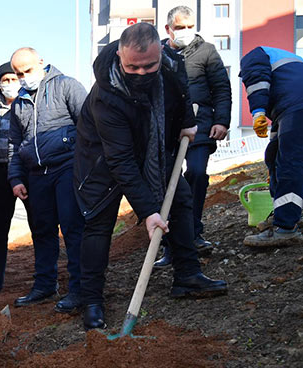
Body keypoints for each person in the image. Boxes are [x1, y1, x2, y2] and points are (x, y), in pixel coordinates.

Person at [74, 23, 228, 330]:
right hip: (101, 156)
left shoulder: (172, 64)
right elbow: (121, 160)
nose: (142, 73)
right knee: (98, 222)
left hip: (155, 143)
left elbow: (182, 94)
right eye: (133, 66)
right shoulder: (107, 93)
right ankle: (91, 299)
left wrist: (187, 122)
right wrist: (147, 211)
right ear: (119, 55)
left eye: (149, 66)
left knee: (181, 200)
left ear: (161, 53)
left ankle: (187, 274)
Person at [7, 47, 87, 311]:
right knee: (41, 231)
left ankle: (79, 289)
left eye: (28, 70)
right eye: (19, 73)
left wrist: (85, 167)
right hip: (36, 175)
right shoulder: (18, 102)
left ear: (41, 63)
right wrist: (16, 178)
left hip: (67, 168)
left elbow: (89, 125)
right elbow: (15, 145)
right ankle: (44, 285)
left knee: (73, 228)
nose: (23, 77)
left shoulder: (67, 87)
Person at [155, 5, 232, 268]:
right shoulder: (159, 54)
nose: (186, 32)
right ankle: (170, 245)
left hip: (200, 125)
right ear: (169, 29)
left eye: (189, 26)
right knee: (168, 184)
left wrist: (221, 120)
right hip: (169, 130)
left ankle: (194, 232)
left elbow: (221, 87)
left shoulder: (207, 51)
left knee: (196, 174)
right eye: (180, 27)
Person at [240, 46, 303, 246]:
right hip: (289, 109)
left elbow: (256, 79)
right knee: (275, 155)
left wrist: (257, 111)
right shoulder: (289, 65)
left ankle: (286, 228)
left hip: (296, 107)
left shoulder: (254, 55)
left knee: (289, 164)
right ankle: (285, 215)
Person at [0, 62, 34, 297]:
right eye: (6, 80)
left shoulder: (29, 103)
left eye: (14, 79)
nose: (10, 84)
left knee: (40, 224)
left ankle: (44, 279)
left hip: (27, 172)